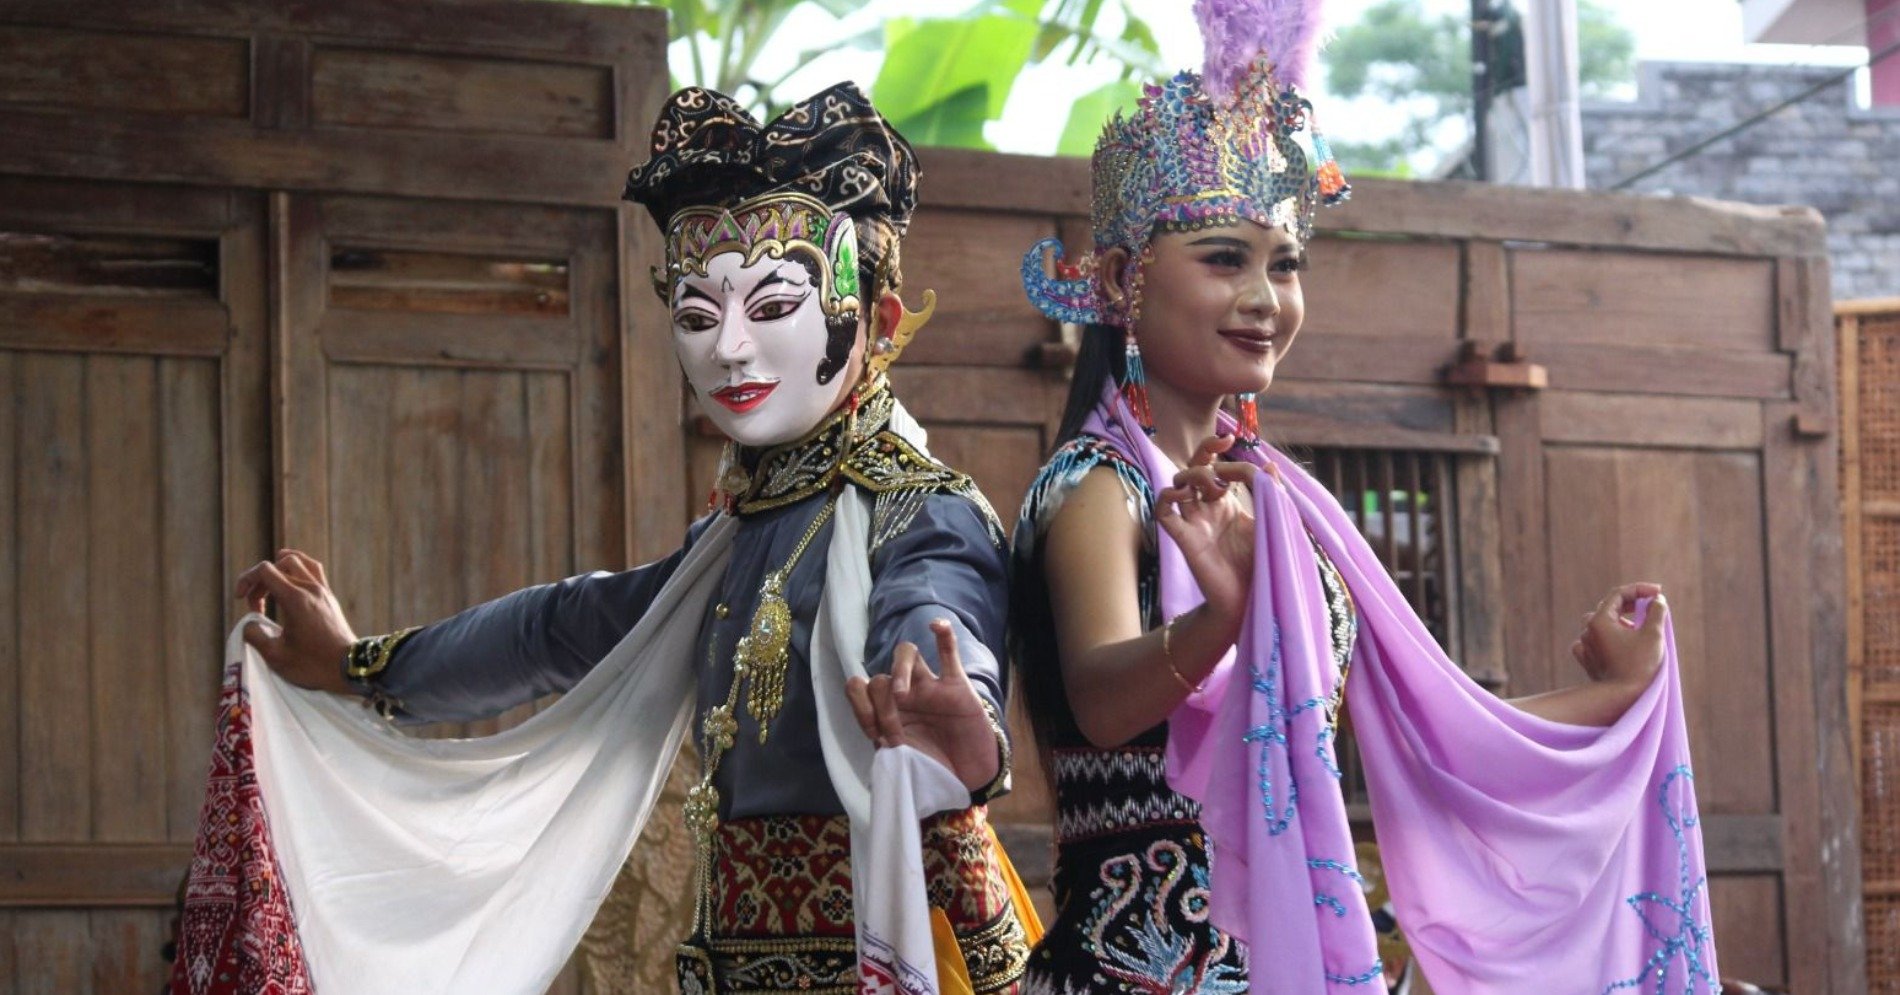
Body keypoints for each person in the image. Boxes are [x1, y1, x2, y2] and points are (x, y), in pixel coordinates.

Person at [177, 82, 1034, 995]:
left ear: (881, 322)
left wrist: (963, 719)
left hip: (897, 960)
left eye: (774, 305)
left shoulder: (920, 509)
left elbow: (934, 611)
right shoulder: (740, 538)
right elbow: (561, 627)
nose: (731, 352)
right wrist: (360, 665)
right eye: (699, 316)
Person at [1011, 1, 1718, 991]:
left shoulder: (1268, 494)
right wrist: (1223, 611)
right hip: (1139, 968)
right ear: (1125, 278)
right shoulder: (1098, 486)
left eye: (1285, 263)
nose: (1266, 298)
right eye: (1225, 258)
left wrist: (1613, 694)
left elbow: (1408, 719)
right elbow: (1097, 697)